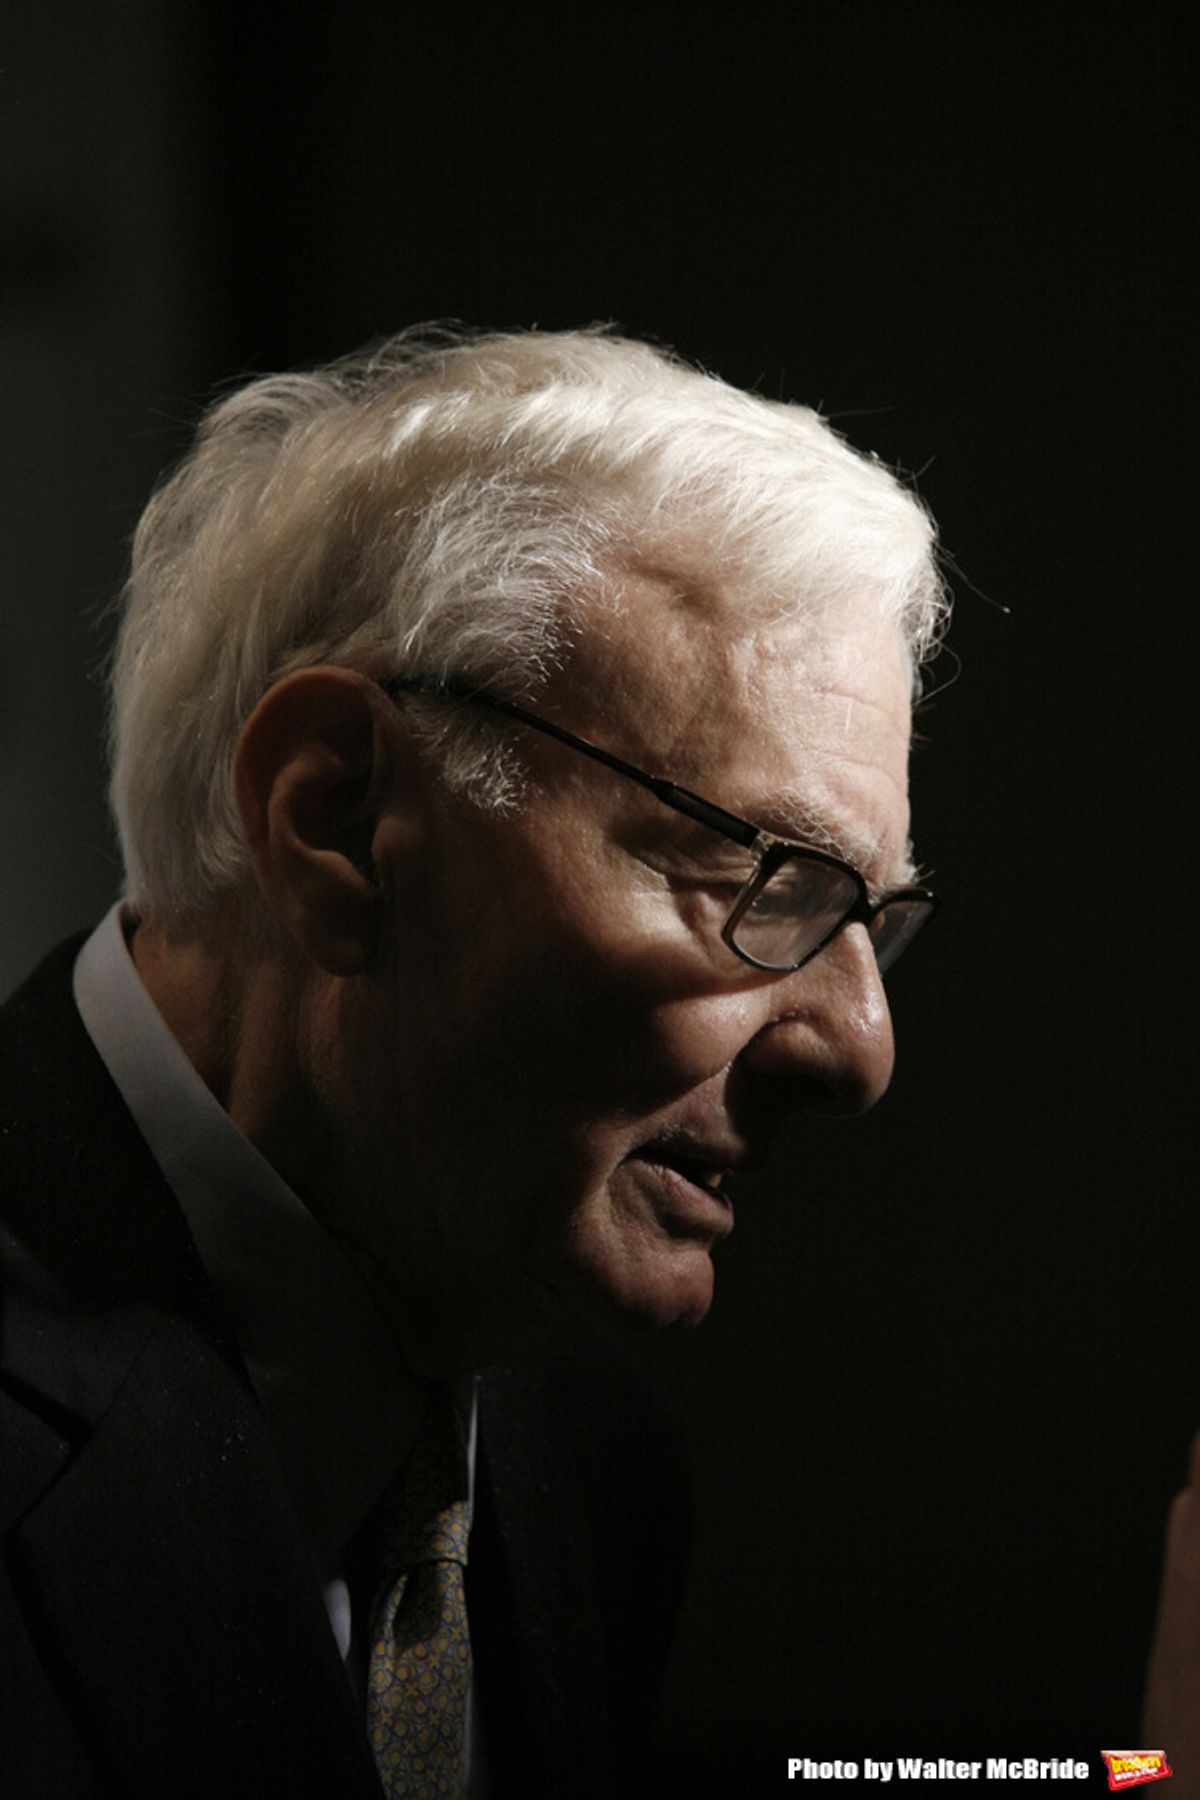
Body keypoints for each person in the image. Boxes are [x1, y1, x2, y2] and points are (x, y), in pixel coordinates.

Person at [0, 326, 947, 1797]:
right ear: (337, 820)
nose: (859, 1049)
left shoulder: (595, 1470)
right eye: (764, 882)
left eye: (869, 922)